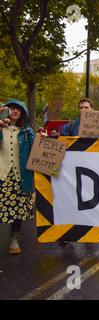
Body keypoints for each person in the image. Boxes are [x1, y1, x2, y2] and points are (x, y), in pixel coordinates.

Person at [0, 99, 36, 255]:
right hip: (2, 175)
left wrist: (44, 137)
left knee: (17, 210)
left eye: (18, 109)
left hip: (19, 176)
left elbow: (37, 149)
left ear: (22, 113)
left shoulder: (27, 132)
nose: (14, 111)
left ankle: (14, 240)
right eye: (11, 108)